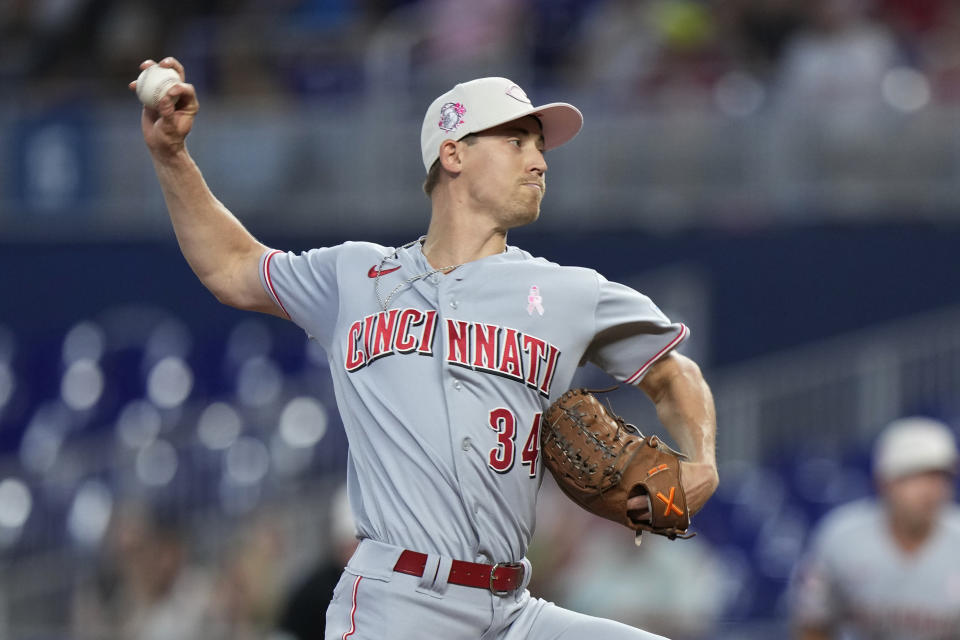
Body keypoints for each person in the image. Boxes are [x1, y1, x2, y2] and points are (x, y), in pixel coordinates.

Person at [130, 58, 719, 639]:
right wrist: (171, 156)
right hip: (398, 603)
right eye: (516, 140)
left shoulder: (569, 293)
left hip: (513, 608)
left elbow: (673, 374)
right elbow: (232, 266)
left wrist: (702, 464)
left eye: (539, 146)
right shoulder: (355, 277)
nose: (539, 160)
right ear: (453, 152)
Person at [789, 416, 960, 640]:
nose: (929, 489)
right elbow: (813, 623)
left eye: (939, 477)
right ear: (884, 481)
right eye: (915, 476)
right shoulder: (841, 537)